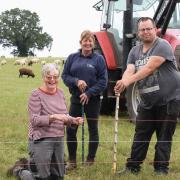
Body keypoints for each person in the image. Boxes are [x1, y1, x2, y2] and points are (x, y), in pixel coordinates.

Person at [114, 17, 180, 175]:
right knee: (140, 134)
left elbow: (149, 68)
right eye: (142, 29)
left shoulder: (162, 45)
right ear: (138, 33)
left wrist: (128, 81)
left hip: (169, 99)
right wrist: (122, 81)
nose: (146, 32)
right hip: (147, 101)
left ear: (155, 29)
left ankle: (161, 169)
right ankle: (133, 167)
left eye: (149, 28)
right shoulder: (134, 51)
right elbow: (130, 69)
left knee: (164, 135)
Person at [8, 63, 83, 180]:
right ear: (43, 77)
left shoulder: (61, 93)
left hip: (58, 138)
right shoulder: (35, 94)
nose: (52, 80)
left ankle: (28, 165)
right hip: (41, 139)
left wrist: (73, 120)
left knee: (59, 176)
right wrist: (53, 117)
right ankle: (19, 171)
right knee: (42, 177)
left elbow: (64, 115)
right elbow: (34, 120)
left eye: (55, 77)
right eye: (49, 77)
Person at [61, 30, 108, 169]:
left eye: (90, 41)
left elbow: (103, 81)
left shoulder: (99, 59)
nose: (87, 43)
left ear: (93, 44)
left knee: (93, 129)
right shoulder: (72, 58)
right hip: (76, 99)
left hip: (93, 100)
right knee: (71, 129)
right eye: (85, 40)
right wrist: (76, 81)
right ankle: (72, 161)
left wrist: (89, 93)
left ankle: (90, 160)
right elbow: (65, 76)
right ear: (80, 42)